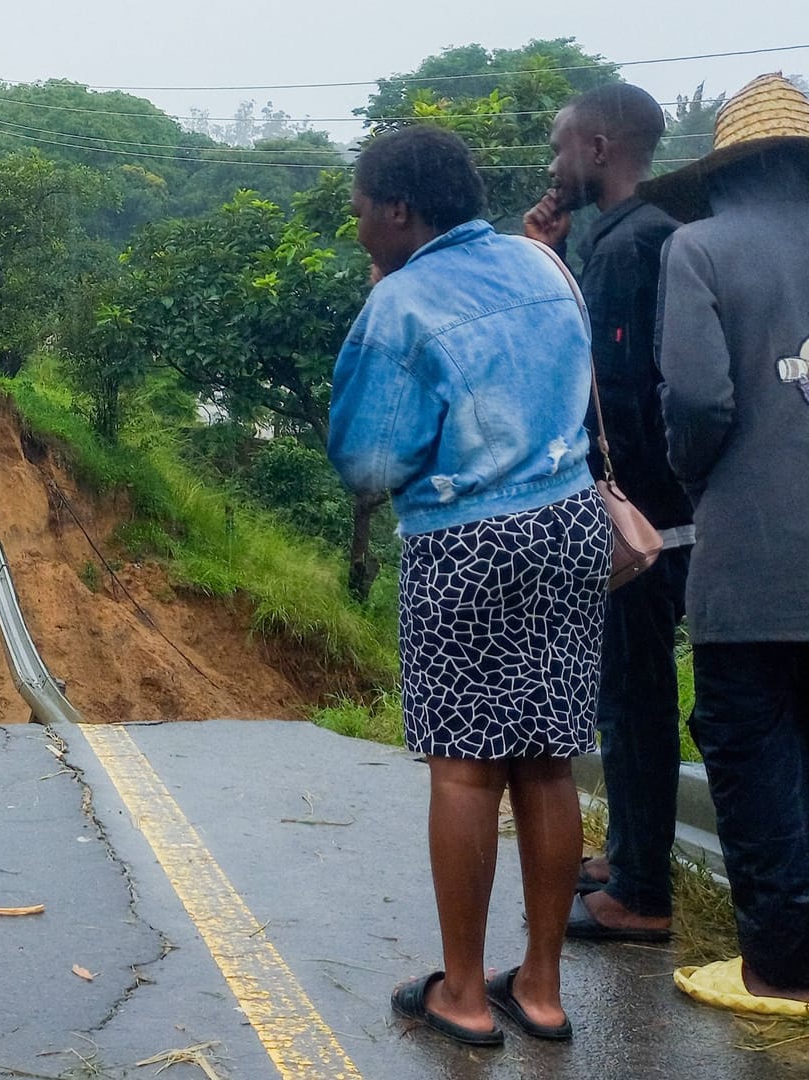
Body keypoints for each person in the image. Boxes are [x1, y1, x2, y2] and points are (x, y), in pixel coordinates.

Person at [329, 125, 604, 1048]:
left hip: (467, 541)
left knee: (465, 765)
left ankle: (462, 996)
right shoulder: (542, 266)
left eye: (363, 205)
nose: (358, 221)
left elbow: (368, 462)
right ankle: (542, 987)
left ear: (399, 209)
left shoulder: (402, 302)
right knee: (548, 760)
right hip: (570, 527)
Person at [642, 72, 809, 1015]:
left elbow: (699, 403)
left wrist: (708, 479)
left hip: (751, 558)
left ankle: (782, 965)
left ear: (725, 171)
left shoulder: (699, 248)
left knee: (751, 753)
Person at [522, 83, 692, 944]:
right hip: (665, 512)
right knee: (629, 692)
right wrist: (547, 256)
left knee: (635, 695)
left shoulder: (635, 247)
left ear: (596, 148)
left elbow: (615, 395)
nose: (552, 166)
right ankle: (628, 852)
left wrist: (603, 493)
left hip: (644, 518)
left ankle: (641, 892)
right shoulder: (627, 238)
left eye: (559, 147)